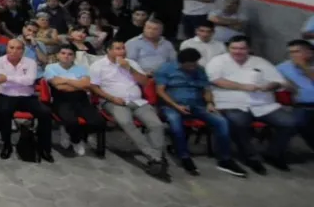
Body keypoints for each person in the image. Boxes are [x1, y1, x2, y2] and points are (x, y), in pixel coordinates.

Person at [206, 36, 295, 173]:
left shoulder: (260, 62)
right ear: (228, 48)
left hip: (262, 103)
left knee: (289, 123)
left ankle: (273, 153)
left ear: (249, 49)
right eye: (234, 48)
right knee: (239, 123)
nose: (238, 51)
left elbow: (280, 82)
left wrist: (271, 85)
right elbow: (215, 80)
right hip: (231, 102)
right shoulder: (218, 61)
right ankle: (250, 157)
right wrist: (242, 86)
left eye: (242, 48)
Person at [155, 48, 246, 177]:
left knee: (222, 122)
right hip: (172, 105)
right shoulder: (165, 69)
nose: (193, 67)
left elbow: (206, 89)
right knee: (176, 124)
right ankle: (184, 156)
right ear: (181, 63)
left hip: (197, 105)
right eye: (190, 65)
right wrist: (176, 106)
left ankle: (225, 159)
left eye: (195, 63)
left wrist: (209, 102)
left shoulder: (200, 69)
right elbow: (160, 91)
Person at [90, 40, 167, 177]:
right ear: (109, 50)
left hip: (138, 101)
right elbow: (94, 87)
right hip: (114, 101)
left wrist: (129, 69)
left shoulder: (131, 63)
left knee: (157, 125)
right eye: (118, 49)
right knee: (126, 123)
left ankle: (156, 159)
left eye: (123, 48)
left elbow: (144, 82)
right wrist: (111, 98)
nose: (122, 52)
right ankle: (155, 157)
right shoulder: (98, 65)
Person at [0, 39, 53, 161]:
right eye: (11, 47)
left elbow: (30, 81)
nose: (14, 51)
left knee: (46, 112)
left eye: (18, 48)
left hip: (27, 97)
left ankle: (44, 148)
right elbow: (0, 83)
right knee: (3, 112)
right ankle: (6, 145)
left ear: (23, 50)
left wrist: (8, 78)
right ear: (6, 48)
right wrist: (20, 80)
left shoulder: (30, 62)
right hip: (6, 95)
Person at [43, 45, 105, 156]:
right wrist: (78, 84)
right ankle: (76, 140)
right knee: (71, 121)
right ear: (58, 55)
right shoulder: (50, 67)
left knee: (98, 121)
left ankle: (75, 133)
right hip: (61, 99)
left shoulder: (81, 68)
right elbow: (58, 86)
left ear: (74, 57)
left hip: (81, 99)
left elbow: (86, 85)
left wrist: (65, 80)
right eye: (63, 53)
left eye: (70, 54)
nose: (66, 56)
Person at [278, 39, 314, 152]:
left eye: (297, 51)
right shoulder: (283, 67)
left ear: (309, 52)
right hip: (302, 105)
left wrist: (304, 67)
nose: (293, 55)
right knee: (299, 122)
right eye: (291, 52)